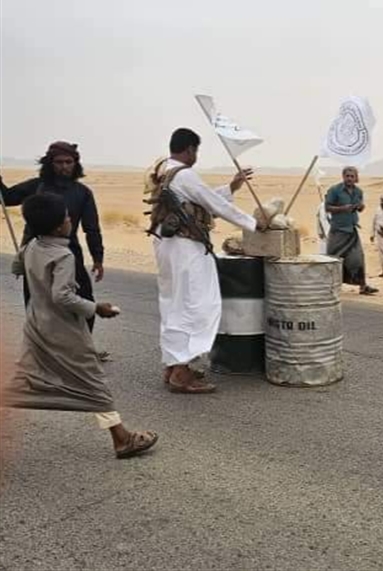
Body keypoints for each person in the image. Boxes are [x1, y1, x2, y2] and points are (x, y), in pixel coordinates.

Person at [2, 193, 158, 459]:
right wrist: (96, 308)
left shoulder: (31, 246)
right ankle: (122, 439)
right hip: (64, 330)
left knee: (26, 377)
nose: (70, 220)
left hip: (36, 325)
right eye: (66, 217)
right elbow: (62, 296)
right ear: (57, 228)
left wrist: (31, 265)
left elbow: (17, 268)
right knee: (92, 379)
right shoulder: (63, 255)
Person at [151, 128, 260, 394]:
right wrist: (255, 224)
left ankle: (174, 365)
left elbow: (199, 200)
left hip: (168, 247)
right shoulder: (184, 174)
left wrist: (231, 187)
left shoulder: (164, 171)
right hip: (186, 249)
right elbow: (214, 204)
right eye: (196, 150)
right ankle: (181, 374)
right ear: (190, 149)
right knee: (197, 306)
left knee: (175, 306)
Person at [1, 142, 109, 361]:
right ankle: (40, 351)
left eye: (69, 162)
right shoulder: (36, 186)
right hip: (35, 252)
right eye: (59, 162)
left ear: (75, 164)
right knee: (36, 303)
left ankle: (83, 348)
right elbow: (8, 197)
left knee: (84, 299)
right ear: (50, 164)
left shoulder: (82, 193)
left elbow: (92, 228)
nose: (64, 166)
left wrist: (98, 258)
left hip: (69, 252)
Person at [325, 166, 378, 295]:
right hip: (338, 230)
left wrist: (360, 207)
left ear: (356, 178)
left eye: (352, 176)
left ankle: (363, 286)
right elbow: (327, 207)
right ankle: (330, 286)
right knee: (334, 259)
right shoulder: (335, 190)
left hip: (351, 230)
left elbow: (360, 208)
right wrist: (342, 208)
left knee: (358, 258)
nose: (349, 178)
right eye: (347, 176)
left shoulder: (358, 191)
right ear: (343, 176)